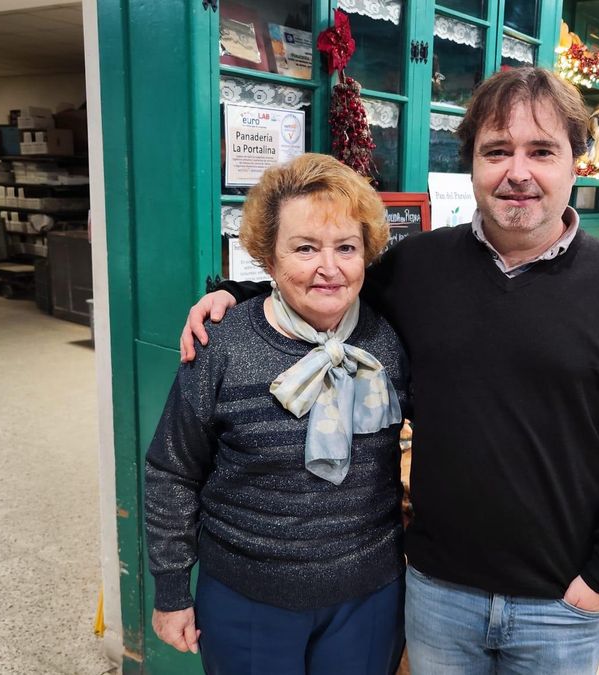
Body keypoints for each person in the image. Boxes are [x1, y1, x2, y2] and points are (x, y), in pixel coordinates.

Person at [179, 67, 599, 674]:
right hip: (439, 591)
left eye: (541, 151)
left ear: (577, 159)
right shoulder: (417, 268)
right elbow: (329, 282)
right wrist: (235, 295)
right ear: (470, 163)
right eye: (497, 151)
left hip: (561, 599)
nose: (517, 172)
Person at [145, 153, 408, 674]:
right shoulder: (220, 343)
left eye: (346, 248)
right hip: (246, 595)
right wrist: (172, 589)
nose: (328, 267)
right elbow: (172, 471)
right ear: (268, 257)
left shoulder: (389, 340)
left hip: (368, 593)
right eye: (305, 248)